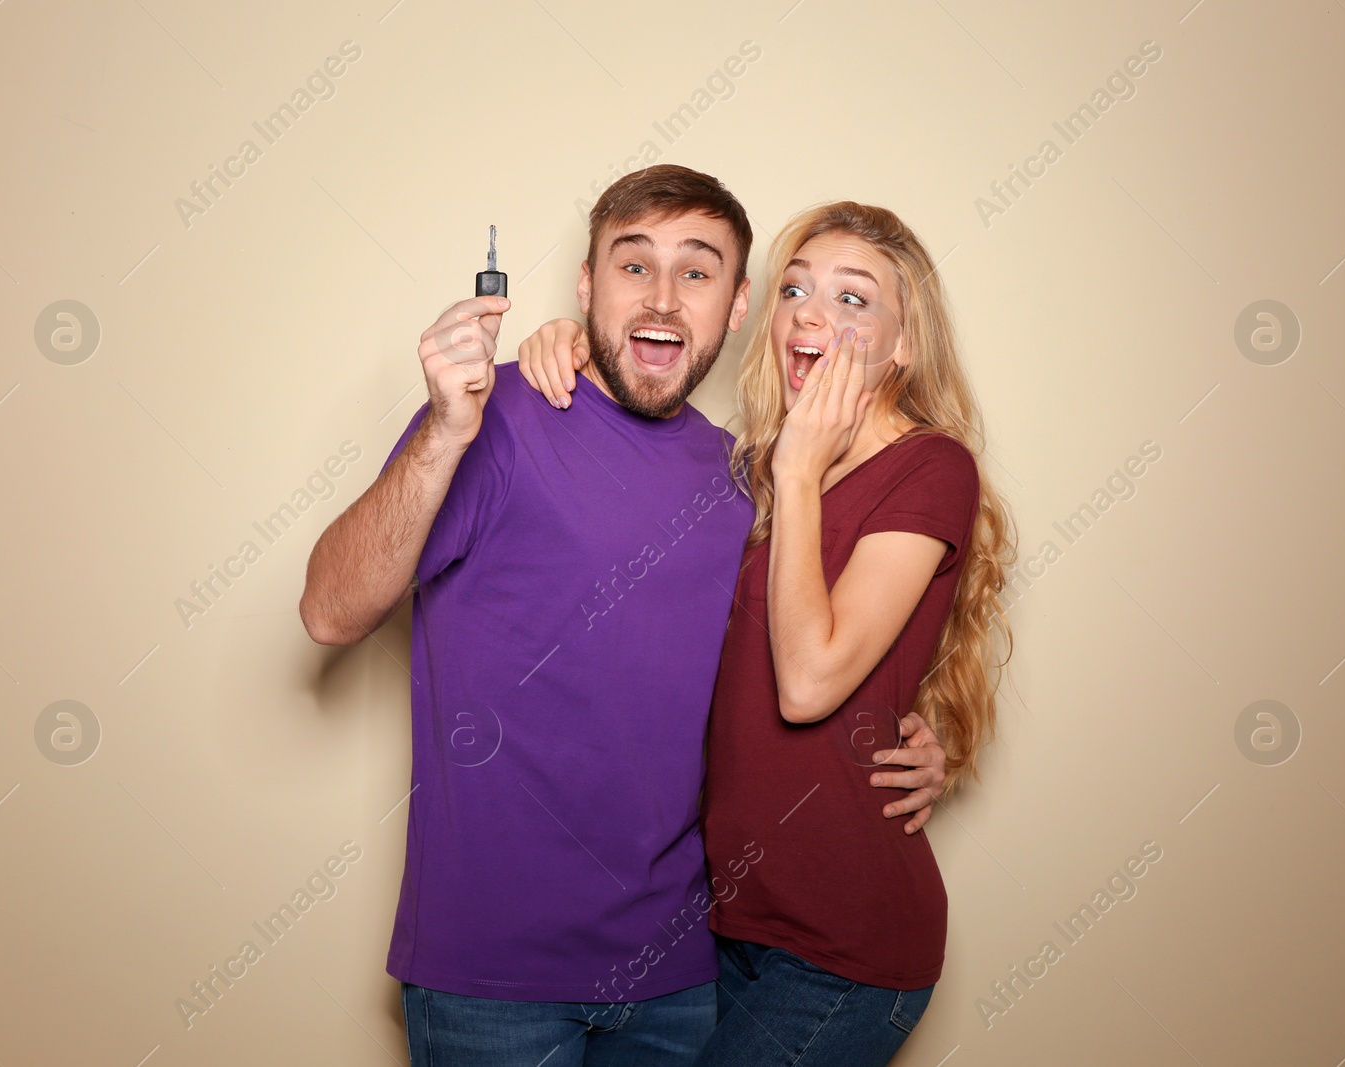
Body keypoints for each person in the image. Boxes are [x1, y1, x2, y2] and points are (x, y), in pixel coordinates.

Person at [298, 167, 949, 1067]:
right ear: (586, 286)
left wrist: (916, 735)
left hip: (682, 976)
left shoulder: (751, 482)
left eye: (697, 271)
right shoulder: (496, 422)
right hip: (490, 978)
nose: (664, 299)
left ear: (738, 306)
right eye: (633, 265)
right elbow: (330, 612)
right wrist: (446, 431)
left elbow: (809, 659)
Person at [517, 200, 1016, 1066]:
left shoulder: (929, 468)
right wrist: (568, 341)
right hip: (726, 928)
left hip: (843, 952)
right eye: (795, 288)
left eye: (854, 298)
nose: (813, 314)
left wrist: (797, 471)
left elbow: (811, 680)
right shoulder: (747, 469)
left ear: (905, 345)